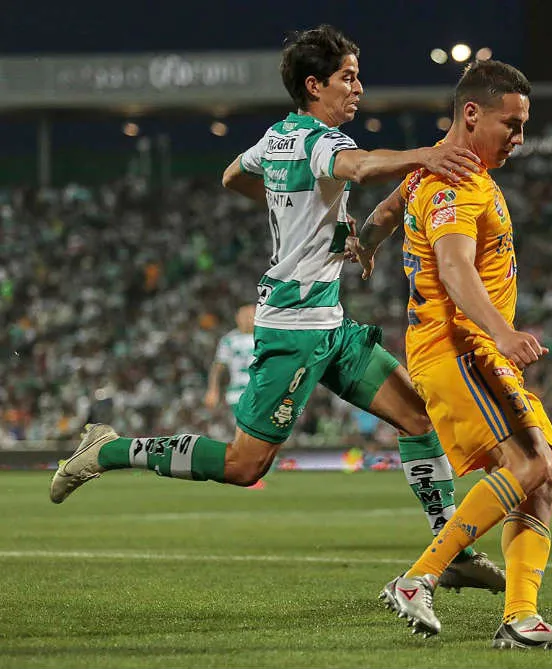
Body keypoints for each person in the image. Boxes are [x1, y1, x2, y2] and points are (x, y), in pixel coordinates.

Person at [49, 24, 503, 593]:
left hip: (329, 324)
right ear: (315, 85)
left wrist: (303, 215)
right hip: (293, 328)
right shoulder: (322, 143)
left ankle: (452, 550)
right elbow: (361, 168)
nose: (358, 89)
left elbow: (232, 175)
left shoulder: (277, 137)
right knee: (245, 466)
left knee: (417, 416)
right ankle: (109, 449)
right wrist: (432, 154)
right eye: (348, 78)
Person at [348, 60, 552, 650]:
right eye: (511, 124)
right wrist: (501, 333)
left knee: (541, 481)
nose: (519, 138)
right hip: (460, 348)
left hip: (472, 351)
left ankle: (521, 617)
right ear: (472, 113)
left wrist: (369, 243)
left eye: (524, 125)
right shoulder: (455, 181)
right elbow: (455, 268)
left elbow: (385, 212)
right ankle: (419, 577)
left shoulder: (439, 170)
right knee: (529, 466)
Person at [204, 304, 256, 413]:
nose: (248, 319)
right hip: (237, 393)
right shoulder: (229, 340)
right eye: (244, 316)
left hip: (260, 392)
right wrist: (213, 390)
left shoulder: (265, 339)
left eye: (251, 315)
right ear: (237, 318)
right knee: (242, 427)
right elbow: (218, 367)